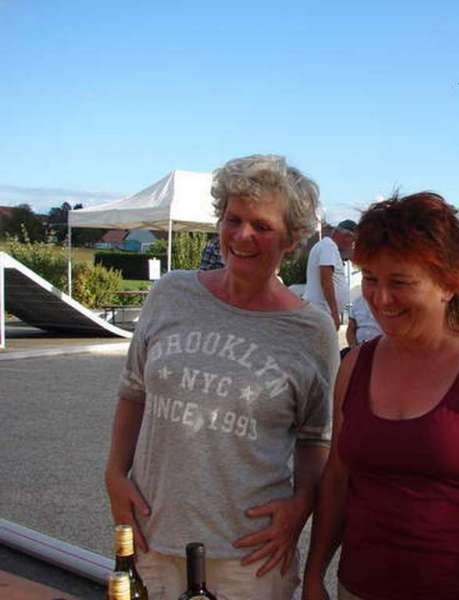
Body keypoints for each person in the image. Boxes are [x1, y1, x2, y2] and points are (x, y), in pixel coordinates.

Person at [105, 154, 339, 599]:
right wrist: (115, 475)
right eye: (233, 219)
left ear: (291, 241)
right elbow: (133, 392)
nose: (242, 235)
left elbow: (316, 437)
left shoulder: (311, 331)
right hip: (154, 535)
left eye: (262, 226)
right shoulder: (171, 293)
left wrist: (300, 505)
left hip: (250, 554)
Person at [303, 192, 459, 600]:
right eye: (371, 280)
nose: (380, 299)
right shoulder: (355, 366)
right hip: (358, 588)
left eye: (400, 283)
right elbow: (337, 479)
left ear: (448, 284)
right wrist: (315, 575)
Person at [303, 220, 357, 328]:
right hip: (322, 311)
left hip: (322, 311)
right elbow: (326, 280)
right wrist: (334, 313)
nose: (352, 245)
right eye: (353, 240)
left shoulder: (327, 246)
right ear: (346, 236)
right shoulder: (328, 247)